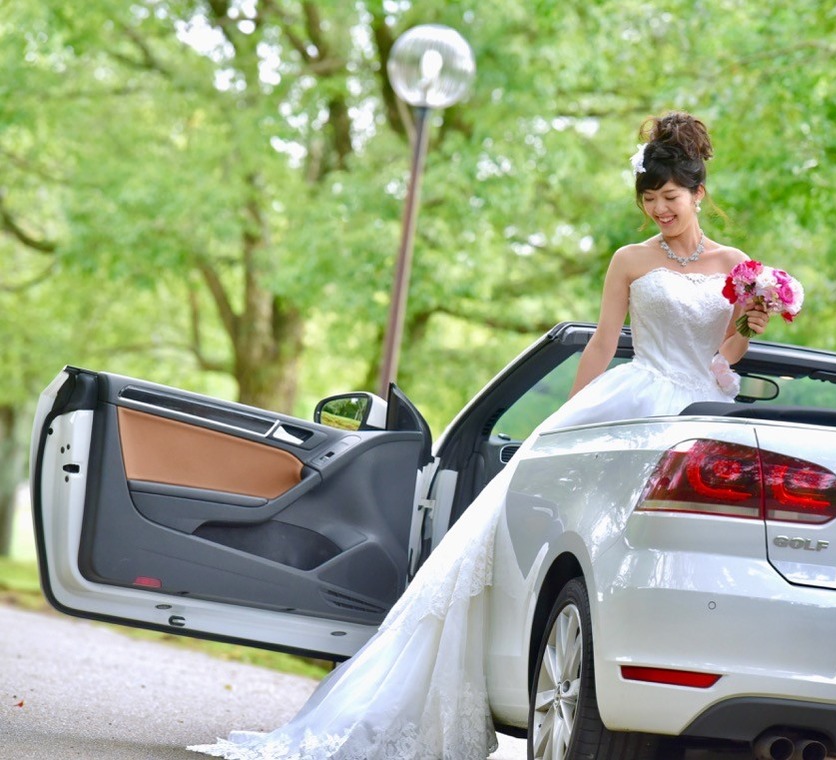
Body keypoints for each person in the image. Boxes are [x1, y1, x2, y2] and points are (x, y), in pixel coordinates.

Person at [188, 111, 770, 760]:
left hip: (700, 407)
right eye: (650, 200)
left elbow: (730, 352)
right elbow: (603, 345)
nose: (661, 210)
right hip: (632, 398)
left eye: (671, 199)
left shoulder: (739, 266)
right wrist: (566, 423)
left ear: (697, 194)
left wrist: (753, 320)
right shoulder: (630, 262)